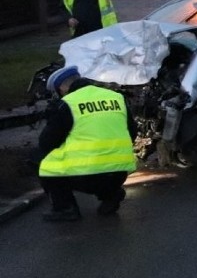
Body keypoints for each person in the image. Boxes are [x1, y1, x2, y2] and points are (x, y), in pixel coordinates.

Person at [37, 66, 137, 222]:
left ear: (63, 88)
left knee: (40, 160)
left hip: (86, 175)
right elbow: (132, 131)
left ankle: (65, 208)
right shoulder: (116, 97)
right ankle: (111, 194)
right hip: (120, 171)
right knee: (101, 171)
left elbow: (47, 142)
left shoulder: (67, 104)